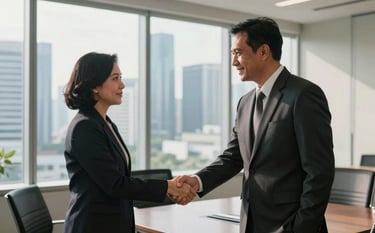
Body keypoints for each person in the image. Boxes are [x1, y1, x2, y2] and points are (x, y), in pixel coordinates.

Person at [176, 17, 335, 233]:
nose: (234, 62)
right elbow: (234, 157)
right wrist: (198, 181)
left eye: (238, 53)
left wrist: (300, 228)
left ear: (263, 52)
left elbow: (319, 172)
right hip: (252, 223)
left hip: (290, 225)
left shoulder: (304, 95)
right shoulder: (245, 102)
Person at [63, 52, 195, 233]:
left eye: (121, 78)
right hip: (93, 226)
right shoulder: (84, 127)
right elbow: (115, 184)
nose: (122, 85)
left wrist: (170, 187)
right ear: (95, 85)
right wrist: (167, 186)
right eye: (115, 78)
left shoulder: (105, 123)